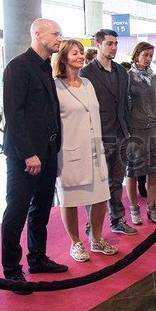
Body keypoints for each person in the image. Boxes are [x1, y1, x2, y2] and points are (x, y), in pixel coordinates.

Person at [1, 18, 67, 295]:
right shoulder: (18, 67)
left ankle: (37, 258)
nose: (60, 38)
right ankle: (11, 270)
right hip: (25, 155)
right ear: (38, 34)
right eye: (55, 33)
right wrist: (28, 154)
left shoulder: (44, 66)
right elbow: (13, 115)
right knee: (17, 211)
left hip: (48, 151)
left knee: (41, 209)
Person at [53, 39, 118, 263]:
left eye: (81, 52)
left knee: (101, 196)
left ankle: (96, 239)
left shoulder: (88, 83)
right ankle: (75, 242)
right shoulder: (55, 86)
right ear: (63, 57)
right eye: (74, 53)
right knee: (70, 199)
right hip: (69, 150)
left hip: (94, 148)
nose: (80, 56)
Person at [79, 29, 138, 236]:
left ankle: (117, 220)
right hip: (98, 135)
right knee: (96, 184)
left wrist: (128, 130)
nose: (114, 47)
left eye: (116, 44)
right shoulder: (86, 73)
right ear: (98, 45)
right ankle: (91, 227)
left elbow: (126, 102)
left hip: (121, 134)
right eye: (109, 44)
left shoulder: (121, 71)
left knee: (116, 181)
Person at [125, 42, 156, 224]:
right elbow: (125, 106)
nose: (148, 59)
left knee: (153, 169)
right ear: (136, 55)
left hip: (153, 127)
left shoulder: (154, 78)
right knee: (132, 171)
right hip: (135, 129)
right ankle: (134, 208)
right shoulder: (128, 77)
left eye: (151, 55)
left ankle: (151, 207)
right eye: (145, 55)